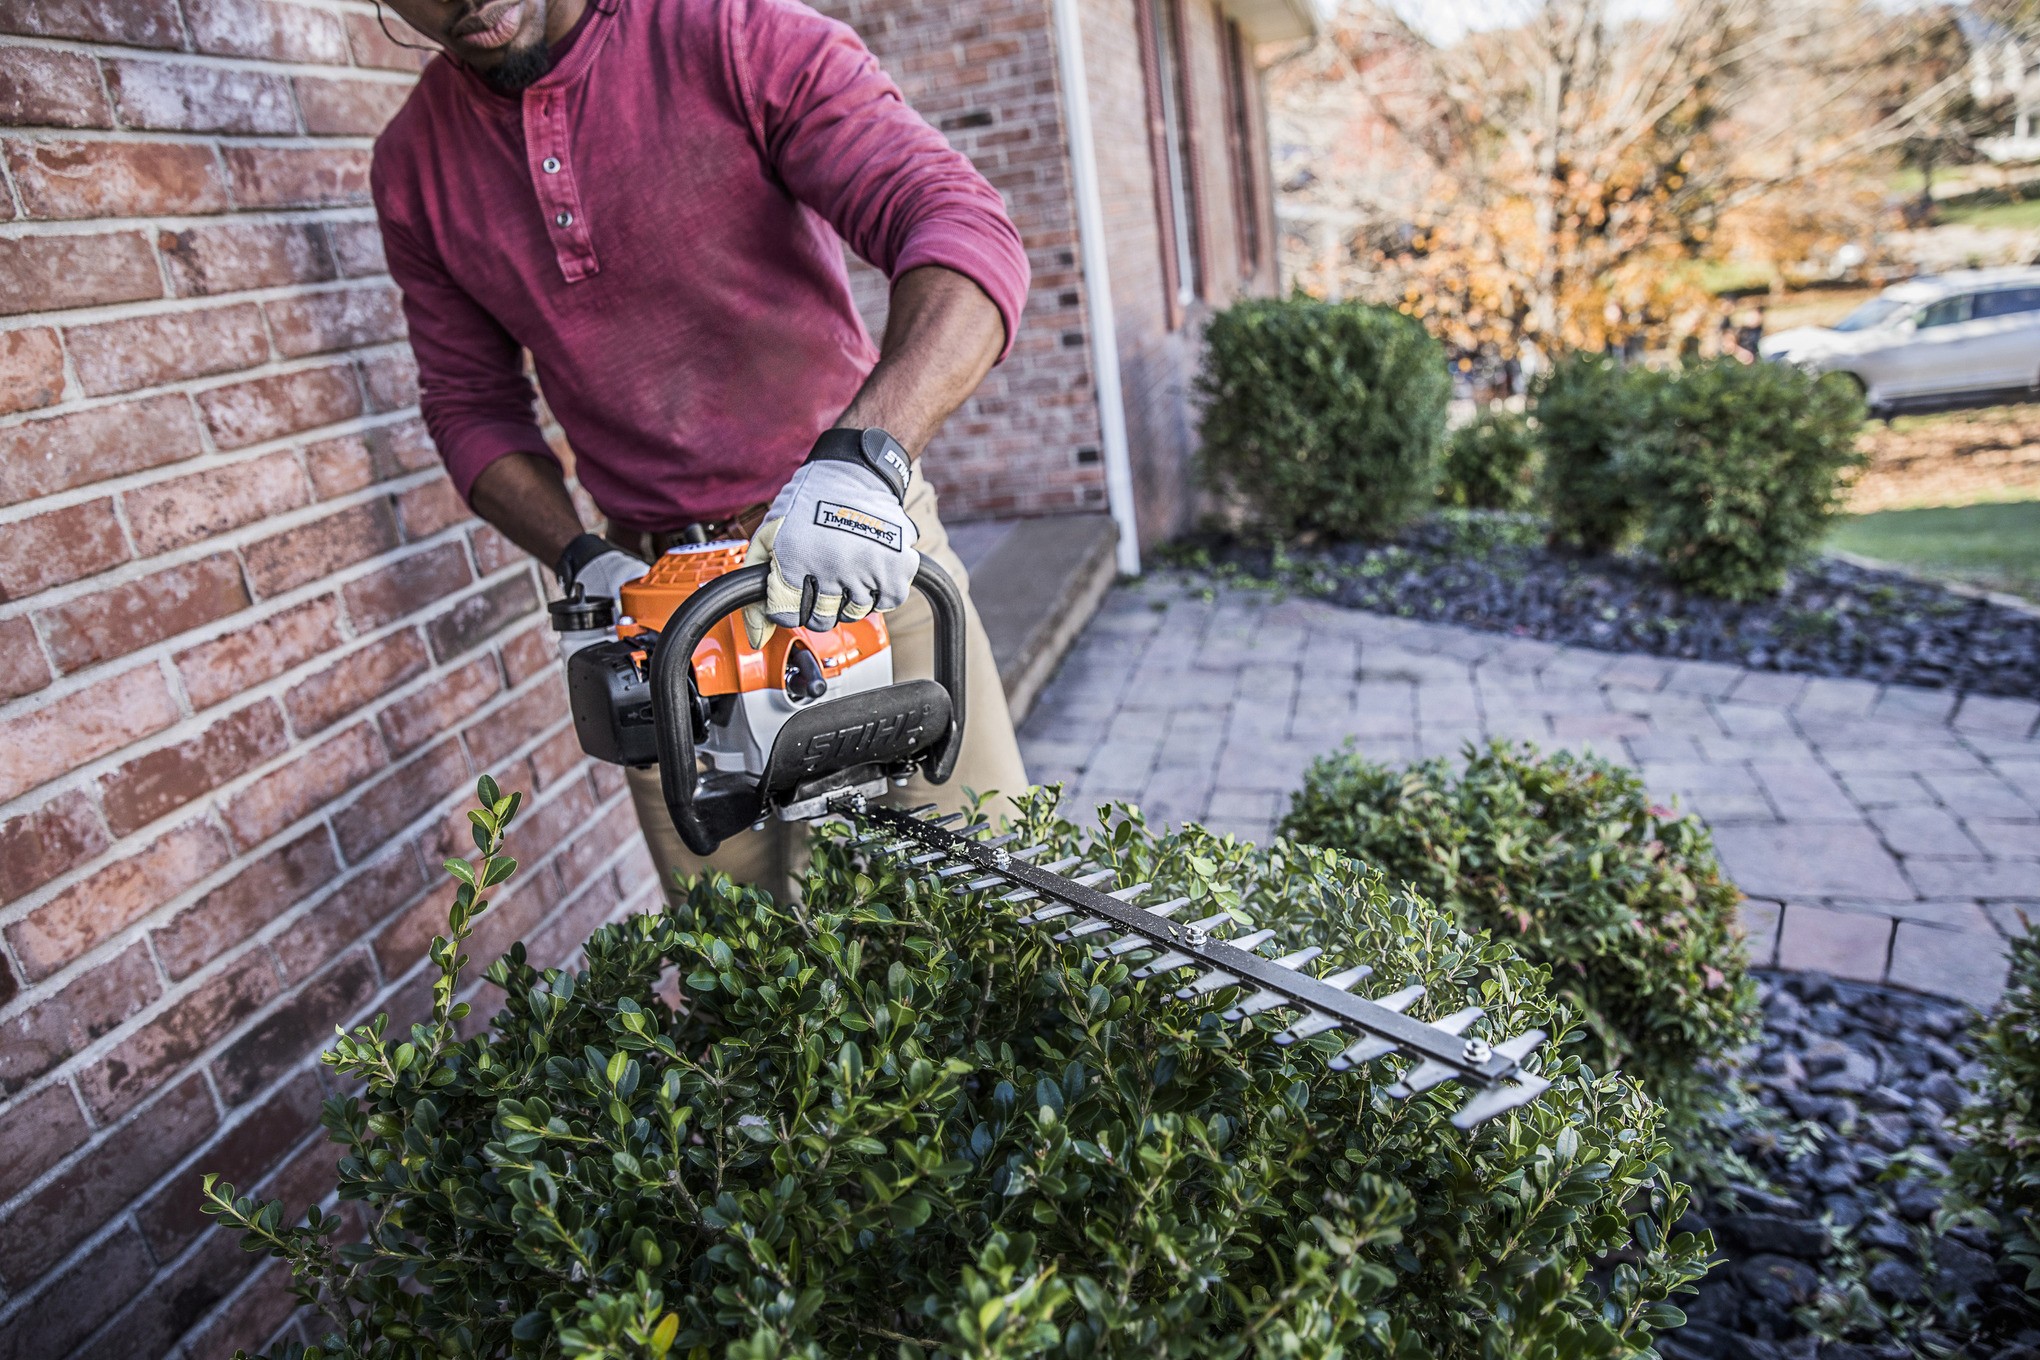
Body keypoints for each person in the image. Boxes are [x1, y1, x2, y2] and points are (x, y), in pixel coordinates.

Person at [368, 0, 1030, 902]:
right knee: (738, 965)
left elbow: (956, 226)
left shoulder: (736, 35)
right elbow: (470, 405)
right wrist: (581, 557)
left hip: (856, 551)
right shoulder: (414, 166)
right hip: (662, 607)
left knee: (986, 905)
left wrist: (862, 463)